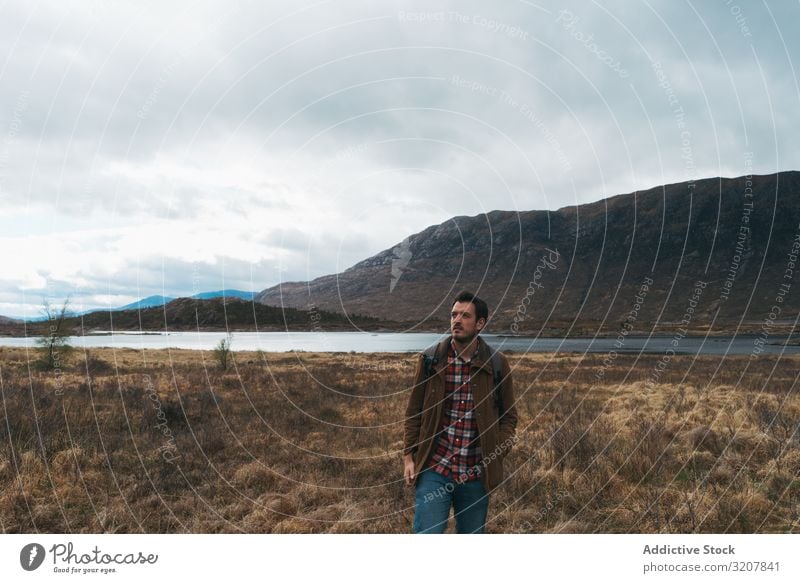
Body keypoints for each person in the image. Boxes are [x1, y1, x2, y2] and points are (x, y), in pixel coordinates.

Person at [403, 290, 517, 533]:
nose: (456, 320)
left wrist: (498, 449)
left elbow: (509, 417)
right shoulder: (431, 359)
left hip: (476, 474)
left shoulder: (497, 364)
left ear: (480, 323)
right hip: (435, 468)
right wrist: (408, 456)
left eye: (465, 316)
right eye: (454, 314)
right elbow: (414, 411)